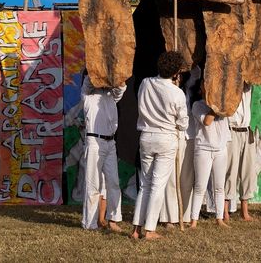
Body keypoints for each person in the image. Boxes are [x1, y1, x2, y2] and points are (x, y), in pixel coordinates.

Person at [131, 51, 189, 240]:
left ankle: (136, 229)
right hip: (165, 138)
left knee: (145, 185)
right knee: (157, 185)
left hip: (146, 136)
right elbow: (183, 124)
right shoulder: (177, 93)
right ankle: (149, 229)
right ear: (175, 73)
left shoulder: (145, 83)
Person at [81, 71, 126, 231]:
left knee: (113, 182)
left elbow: (121, 88)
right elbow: (88, 81)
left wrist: (115, 75)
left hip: (110, 142)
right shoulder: (87, 94)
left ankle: (113, 219)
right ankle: (90, 223)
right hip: (94, 141)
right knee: (93, 183)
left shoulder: (110, 95)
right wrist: (96, 70)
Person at [159, 66, 201, 226]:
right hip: (174, 136)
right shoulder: (166, 89)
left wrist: (190, 62)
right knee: (171, 178)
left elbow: (196, 72)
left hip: (189, 136)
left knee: (187, 178)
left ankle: (184, 214)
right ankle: (169, 217)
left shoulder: (190, 88)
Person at [190, 82, 231, 228]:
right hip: (203, 149)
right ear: (201, 89)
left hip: (220, 149)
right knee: (200, 186)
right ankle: (193, 221)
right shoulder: (197, 105)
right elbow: (207, 121)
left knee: (219, 187)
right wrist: (216, 104)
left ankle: (219, 218)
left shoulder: (223, 106)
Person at [224, 84, 256, 222]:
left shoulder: (247, 88)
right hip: (232, 130)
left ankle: (245, 211)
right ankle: (224, 212)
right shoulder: (228, 86)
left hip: (246, 130)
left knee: (247, 171)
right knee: (230, 171)